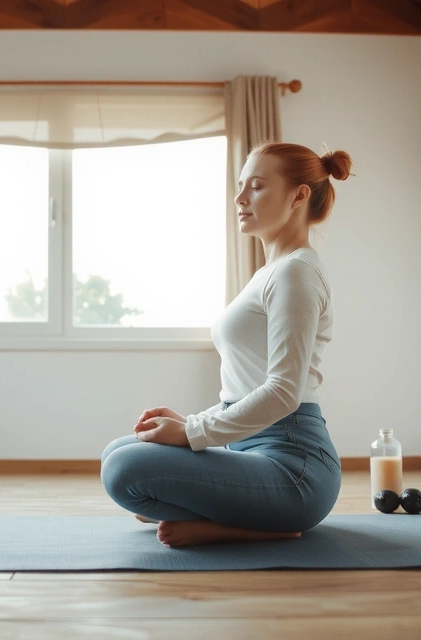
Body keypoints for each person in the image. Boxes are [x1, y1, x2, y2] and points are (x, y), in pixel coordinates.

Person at [100, 141, 353, 548]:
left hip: (296, 468)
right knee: (118, 451)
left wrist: (192, 433)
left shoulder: (296, 273)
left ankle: (257, 523)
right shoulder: (271, 272)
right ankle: (251, 517)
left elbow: (285, 393)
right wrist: (189, 424)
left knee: (125, 470)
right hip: (246, 446)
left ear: (299, 196)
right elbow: (246, 384)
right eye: (240, 186)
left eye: (256, 186)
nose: (240, 199)